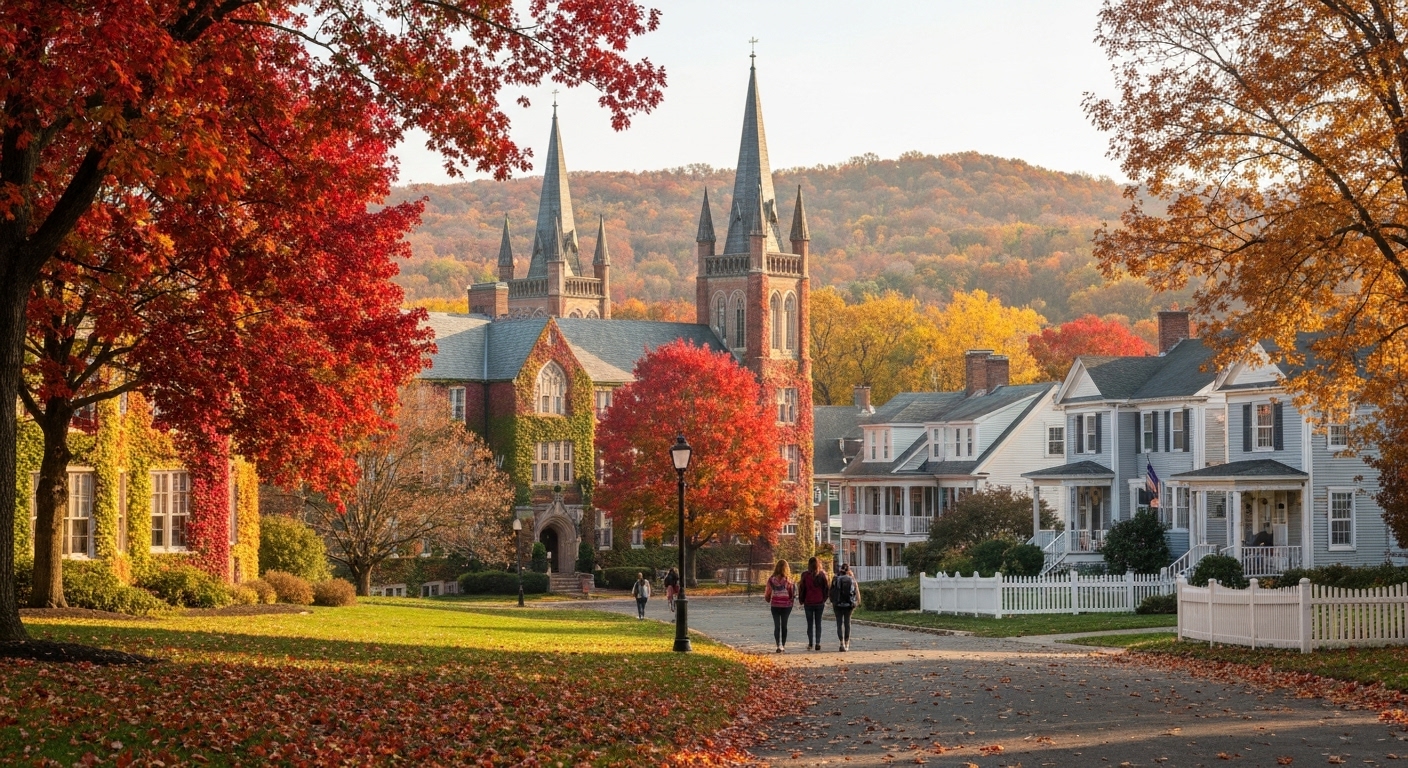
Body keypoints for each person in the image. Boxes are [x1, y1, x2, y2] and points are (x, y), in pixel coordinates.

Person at [763, 560, 796, 653]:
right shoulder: (789, 579)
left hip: (775, 604)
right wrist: (791, 602)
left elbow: (768, 592)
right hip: (786, 605)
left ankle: (778, 645)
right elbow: (792, 593)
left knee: (777, 625)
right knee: (784, 625)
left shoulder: (771, 579)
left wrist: (768, 599)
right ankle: (783, 645)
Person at [798, 556, 829, 651]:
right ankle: (818, 643)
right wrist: (824, 599)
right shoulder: (822, 575)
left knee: (810, 624)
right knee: (818, 623)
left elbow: (802, 588)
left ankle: (810, 643)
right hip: (819, 602)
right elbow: (826, 588)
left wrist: (801, 600)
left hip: (808, 602)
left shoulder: (805, 575)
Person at [829, 562, 860, 652]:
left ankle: (841, 643)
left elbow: (831, 591)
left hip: (837, 604)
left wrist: (832, 601)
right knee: (847, 623)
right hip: (849, 605)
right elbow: (856, 591)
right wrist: (857, 602)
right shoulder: (852, 579)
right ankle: (847, 643)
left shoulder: (835, 579)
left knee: (839, 623)